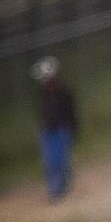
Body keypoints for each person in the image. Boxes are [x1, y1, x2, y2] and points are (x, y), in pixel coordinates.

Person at [31, 56, 77, 200]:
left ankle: (61, 184)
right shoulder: (43, 93)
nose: (45, 80)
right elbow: (42, 113)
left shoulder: (64, 92)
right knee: (49, 162)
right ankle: (55, 188)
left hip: (61, 130)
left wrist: (73, 129)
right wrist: (40, 129)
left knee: (61, 160)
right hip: (47, 131)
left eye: (47, 77)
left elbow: (71, 113)